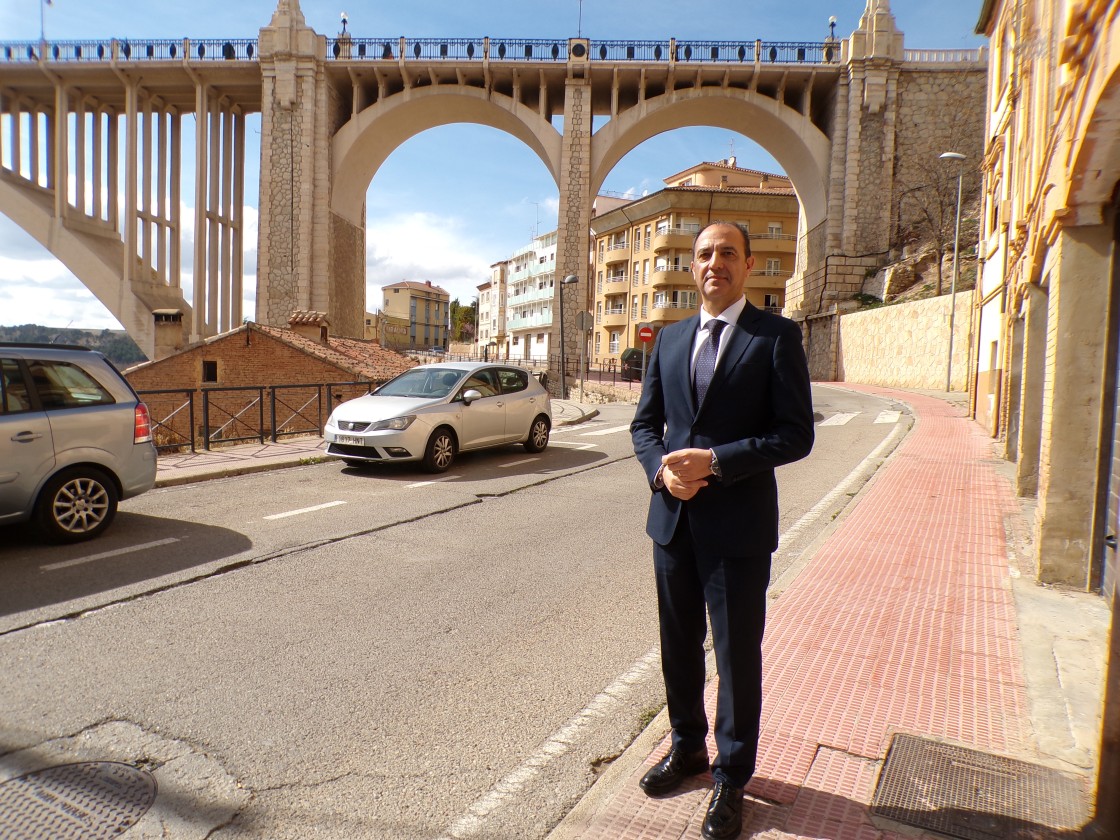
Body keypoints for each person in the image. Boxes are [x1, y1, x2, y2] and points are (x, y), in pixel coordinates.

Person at [630, 221, 814, 840]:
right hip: (673, 524)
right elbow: (645, 425)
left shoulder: (776, 337)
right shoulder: (671, 339)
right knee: (677, 648)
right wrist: (662, 473)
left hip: (738, 529)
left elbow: (796, 435)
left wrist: (716, 463)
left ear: (749, 263)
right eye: (705, 254)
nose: (715, 263)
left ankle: (731, 778)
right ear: (693, 265)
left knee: (736, 657)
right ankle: (687, 748)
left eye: (727, 253)